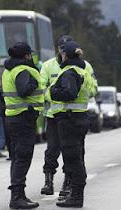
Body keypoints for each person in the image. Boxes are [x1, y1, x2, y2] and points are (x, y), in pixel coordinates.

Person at [40, 35, 97, 198]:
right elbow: (42, 88)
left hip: (72, 115)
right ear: (58, 49)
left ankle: (69, 183)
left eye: (65, 50)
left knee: (73, 153)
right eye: (61, 48)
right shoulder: (48, 66)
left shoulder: (84, 67)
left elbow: (93, 88)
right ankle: (48, 179)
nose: (62, 52)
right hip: (53, 114)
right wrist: (51, 95)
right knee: (53, 149)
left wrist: (80, 91)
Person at [2, 42, 43, 209]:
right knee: (23, 157)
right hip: (23, 117)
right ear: (26, 55)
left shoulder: (9, 70)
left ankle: (18, 194)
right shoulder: (22, 70)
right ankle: (17, 197)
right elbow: (24, 90)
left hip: (14, 118)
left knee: (18, 157)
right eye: (29, 54)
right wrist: (34, 83)